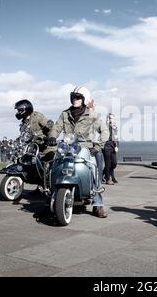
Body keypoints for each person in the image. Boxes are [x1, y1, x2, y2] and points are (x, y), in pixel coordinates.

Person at [48, 86, 109, 218]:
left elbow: (104, 131)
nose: (75, 100)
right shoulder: (65, 114)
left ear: (84, 99)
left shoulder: (92, 115)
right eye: (74, 97)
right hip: (66, 147)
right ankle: (51, 192)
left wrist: (98, 145)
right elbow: (56, 127)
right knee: (54, 165)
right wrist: (52, 136)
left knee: (94, 170)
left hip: (85, 147)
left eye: (78, 97)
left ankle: (98, 204)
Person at [103, 113, 119, 185]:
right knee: (108, 164)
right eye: (110, 118)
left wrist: (117, 146)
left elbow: (116, 137)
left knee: (114, 163)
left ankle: (103, 173)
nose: (111, 120)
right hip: (106, 145)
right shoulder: (104, 126)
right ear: (108, 119)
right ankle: (108, 179)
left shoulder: (115, 127)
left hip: (113, 146)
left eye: (112, 118)